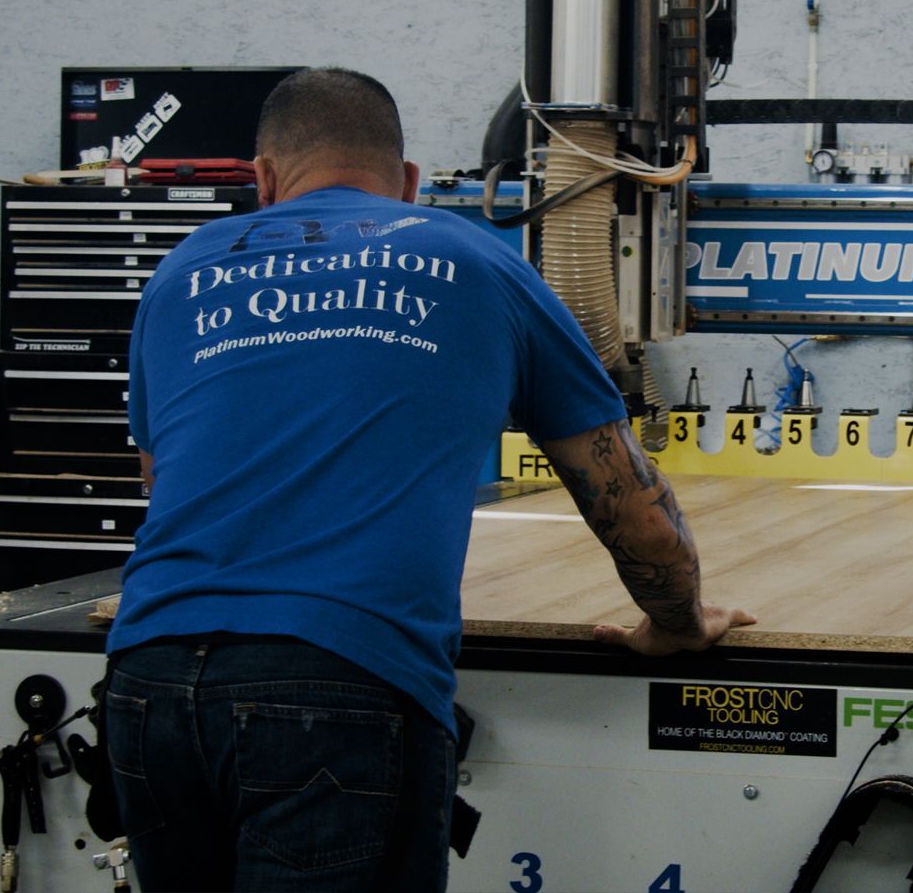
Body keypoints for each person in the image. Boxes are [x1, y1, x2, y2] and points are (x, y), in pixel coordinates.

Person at [104, 66, 754, 892]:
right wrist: (679, 619)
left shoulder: (180, 275)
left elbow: (163, 485)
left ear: (264, 179)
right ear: (410, 183)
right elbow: (634, 510)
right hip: (339, 682)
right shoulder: (476, 262)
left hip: (147, 680)